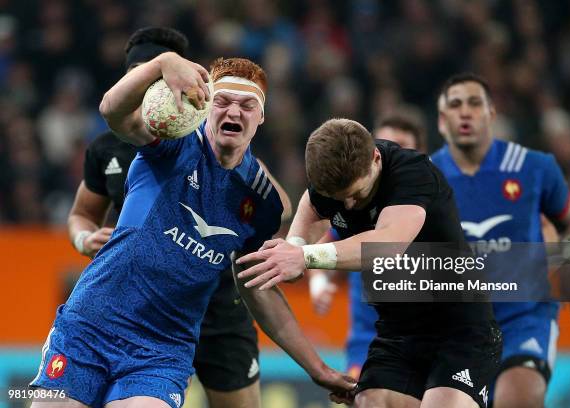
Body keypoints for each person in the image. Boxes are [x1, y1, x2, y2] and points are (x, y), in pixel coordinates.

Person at [31, 52, 355, 407]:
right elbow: (112, 111)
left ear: (261, 116)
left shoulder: (262, 202)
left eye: (247, 105)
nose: (234, 112)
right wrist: (162, 62)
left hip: (160, 352)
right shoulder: (175, 142)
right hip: (90, 327)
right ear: (207, 106)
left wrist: (318, 368)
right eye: (224, 101)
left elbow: (258, 290)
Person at [66, 27, 292, 408]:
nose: (144, 83)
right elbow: (81, 215)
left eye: (154, 72)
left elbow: (276, 206)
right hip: (133, 306)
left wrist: (233, 155)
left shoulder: (205, 141)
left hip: (217, 305)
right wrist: (83, 238)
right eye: (135, 72)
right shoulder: (108, 146)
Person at [236, 118, 502, 408]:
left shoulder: (412, 173)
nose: (349, 206)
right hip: (398, 335)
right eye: (340, 198)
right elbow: (300, 237)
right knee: (371, 401)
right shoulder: (326, 190)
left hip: (461, 331)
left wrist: (305, 256)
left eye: (356, 193)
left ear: (375, 158)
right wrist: (288, 253)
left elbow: (387, 247)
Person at [431, 73, 570, 408]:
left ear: (491, 113)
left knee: (517, 399)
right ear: (442, 120)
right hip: (457, 328)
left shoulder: (535, 167)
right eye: (455, 105)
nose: (465, 112)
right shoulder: (424, 177)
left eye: (475, 103)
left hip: (525, 318)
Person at [306, 109, 428, 380]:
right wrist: (318, 284)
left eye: (399, 146)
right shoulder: (355, 209)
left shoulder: (431, 205)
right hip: (368, 337)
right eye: (382, 144)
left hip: (426, 333)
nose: (387, 152)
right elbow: (322, 247)